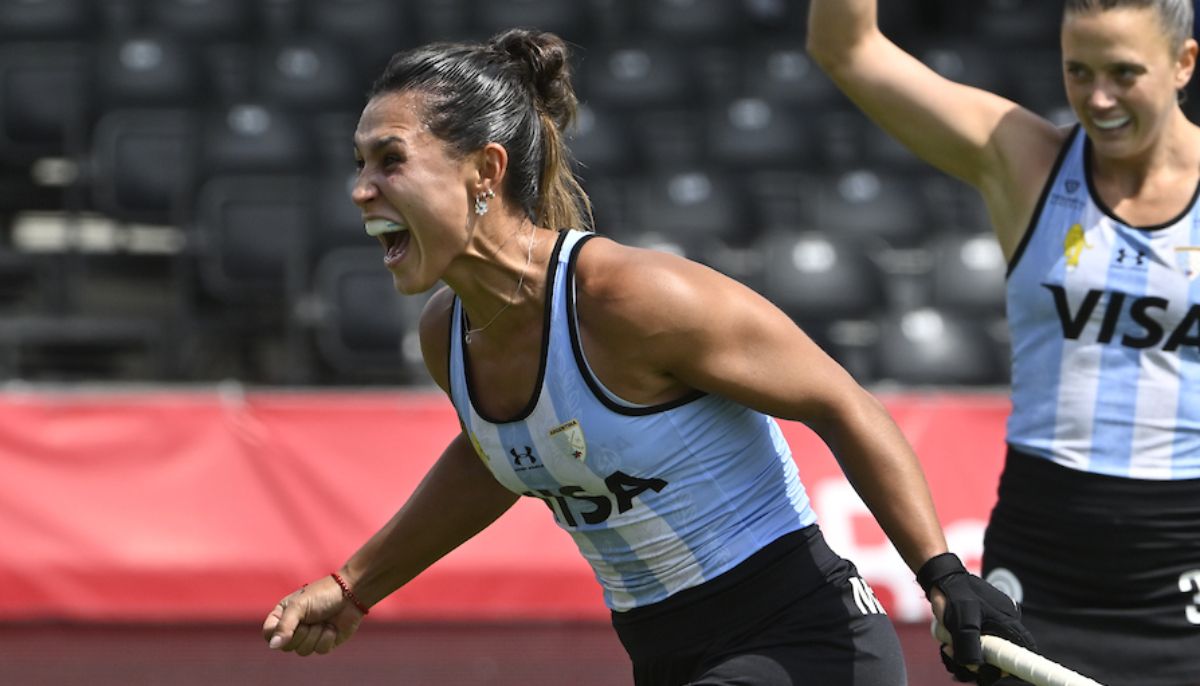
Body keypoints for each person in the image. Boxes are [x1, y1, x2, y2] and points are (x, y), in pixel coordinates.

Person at [260, 28, 1031, 685]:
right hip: (668, 658)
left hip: (806, 647)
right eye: (358, 165)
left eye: (388, 161)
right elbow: (494, 458)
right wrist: (353, 587)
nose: (361, 190)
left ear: (485, 172)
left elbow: (841, 401)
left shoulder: (633, 297)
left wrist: (941, 574)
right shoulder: (447, 335)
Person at [807, 1, 1200, 684]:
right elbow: (845, 47)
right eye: (1079, 71)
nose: (1099, 98)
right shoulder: (1025, 159)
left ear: (1183, 64)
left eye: (1124, 73)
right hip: (1041, 558)